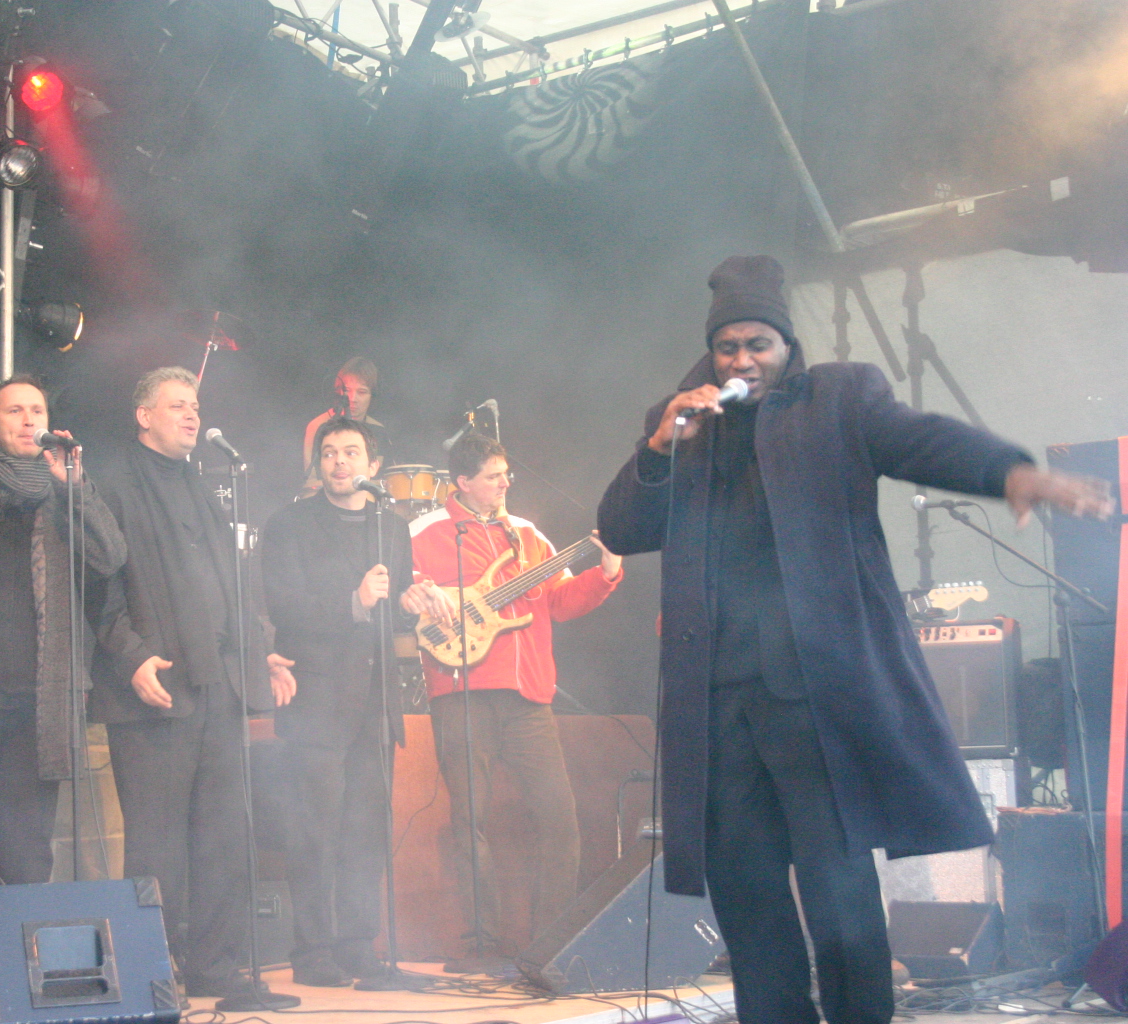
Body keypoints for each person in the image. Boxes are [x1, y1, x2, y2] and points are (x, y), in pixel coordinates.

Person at [596, 255, 1113, 1024]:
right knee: (746, 891)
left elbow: (921, 441)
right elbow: (620, 528)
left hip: (815, 699)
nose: (742, 361)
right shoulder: (681, 419)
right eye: (728, 347)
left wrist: (1011, 473)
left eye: (758, 345)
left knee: (839, 889)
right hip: (717, 704)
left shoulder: (837, 398)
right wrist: (661, 446)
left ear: (787, 347)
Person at [93, 366, 295, 998]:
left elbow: (232, 585)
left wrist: (258, 652)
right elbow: (96, 586)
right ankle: (156, 970)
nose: (192, 415)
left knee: (222, 837)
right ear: (143, 415)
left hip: (218, 687)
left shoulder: (205, 486)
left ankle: (216, 968)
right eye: (177, 405)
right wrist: (130, 658)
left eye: (196, 405)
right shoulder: (112, 483)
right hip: (154, 691)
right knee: (157, 844)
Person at [405, 432, 623, 963]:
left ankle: (552, 943)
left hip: (528, 696)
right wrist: (424, 591)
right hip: (462, 693)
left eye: (506, 474)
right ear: (462, 482)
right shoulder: (424, 531)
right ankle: (482, 944)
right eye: (493, 476)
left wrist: (607, 571)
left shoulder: (528, 535)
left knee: (560, 819)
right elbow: (401, 586)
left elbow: (562, 602)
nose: (505, 483)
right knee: (469, 821)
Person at [0, 375, 125, 896]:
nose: (28, 420)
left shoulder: (62, 489)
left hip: (41, 698)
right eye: (15, 411)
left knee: (30, 844)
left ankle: (23, 945)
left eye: (36, 411)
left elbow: (110, 556)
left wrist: (74, 487)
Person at [260, 416, 419, 986]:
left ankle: (358, 946)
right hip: (316, 704)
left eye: (351, 452)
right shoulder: (289, 524)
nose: (339, 462)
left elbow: (392, 610)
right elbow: (283, 605)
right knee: (314, 834)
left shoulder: (390, 526)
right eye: (329, 453)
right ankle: (311, 952)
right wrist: (354, 601)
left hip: (375, 705)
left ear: (374, 465)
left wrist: (411, 601)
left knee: (365, 836)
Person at [300, 357, 390, 494]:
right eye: (347, 391)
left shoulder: (379, 430)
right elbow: (311, 484)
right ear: (339, 392)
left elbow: (388, 481)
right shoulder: (319, 426)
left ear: (372, 395)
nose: (353, 399)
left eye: (361, 392)